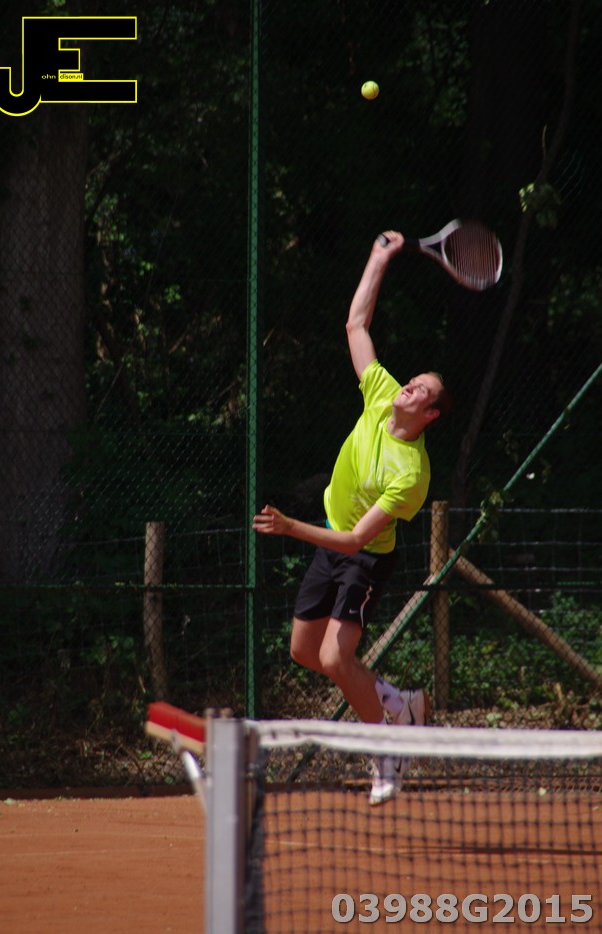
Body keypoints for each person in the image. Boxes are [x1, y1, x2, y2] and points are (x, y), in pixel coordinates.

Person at [253, 231, 452, 805]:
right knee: (303, 651)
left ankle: (386, 751)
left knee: (336, 657)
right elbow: (356, 325)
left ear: (430, 414)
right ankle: (398, 702)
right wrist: (378, 257)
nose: (410, 385)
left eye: (422, 389)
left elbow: (358, 538)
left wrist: (290, 527)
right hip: (330, 543)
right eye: (413, 380)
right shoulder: (382, 393)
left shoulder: (411, 473)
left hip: (363, 557)